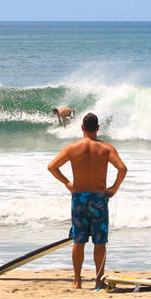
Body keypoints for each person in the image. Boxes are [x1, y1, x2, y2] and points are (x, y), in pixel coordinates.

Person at [47, 112, 128, 289]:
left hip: (79, 198)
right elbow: (122, 169)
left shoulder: (72, 148)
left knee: (79, 240)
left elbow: (52, 167)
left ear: (82, 127)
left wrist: (68, 183)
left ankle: (77, 281)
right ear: (97, 128)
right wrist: (114, 188)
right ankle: (99, 281)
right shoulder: (106, 149)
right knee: (100, 242)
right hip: (99, 199)